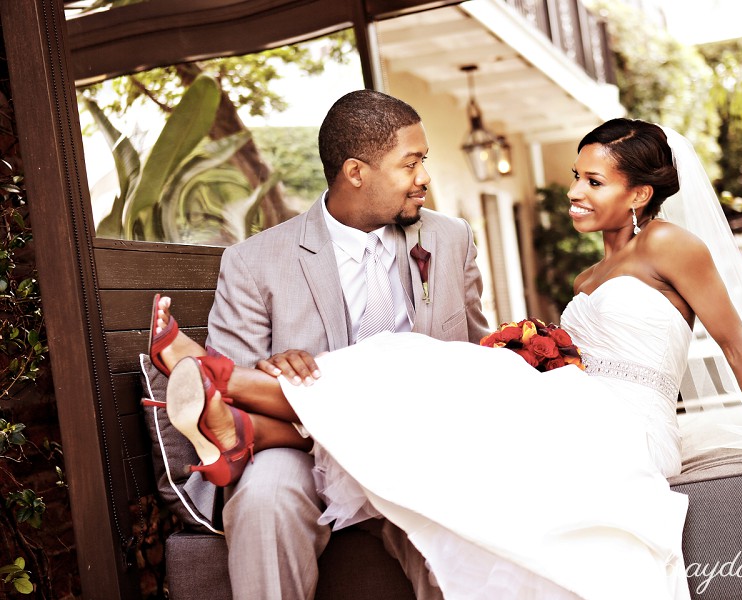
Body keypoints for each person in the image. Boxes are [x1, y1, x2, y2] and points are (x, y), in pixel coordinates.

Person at [152, 118, 742, 598]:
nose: (574, 192)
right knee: (431, 371)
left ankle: (231, 391)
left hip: (625, 430)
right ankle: (247, 421)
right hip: (581, 410)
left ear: (639, 192)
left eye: (592, 182)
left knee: (424, 366)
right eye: (576, 176)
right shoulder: (592, 273)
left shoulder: (671, 247)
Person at [154, 89, 490, 600]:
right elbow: (241, 379)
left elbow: (474, 347)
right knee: (265, 496)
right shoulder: (254, 261)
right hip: (301, 446)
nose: (425, 178)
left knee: (463, 518)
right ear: (356, 172)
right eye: (411, 163)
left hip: (424, 442)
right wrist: (269, 367)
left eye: (424, 162)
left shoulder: (450, 239)